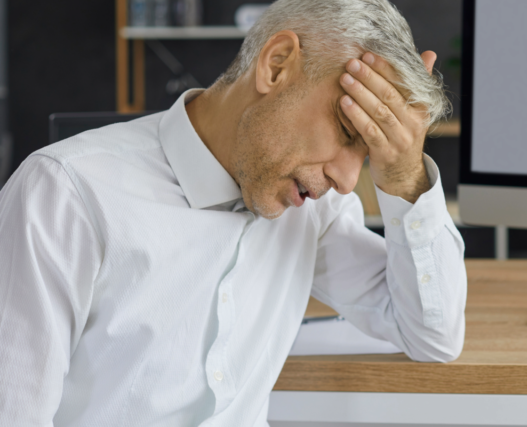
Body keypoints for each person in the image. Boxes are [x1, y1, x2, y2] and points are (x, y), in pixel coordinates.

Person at [0, 0, 467, 425]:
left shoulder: (313, 208)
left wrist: (405, 176)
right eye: (347, 130)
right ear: (277, 64)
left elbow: (432, 335)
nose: (347, 181)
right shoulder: (65, 194)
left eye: (366, 154)